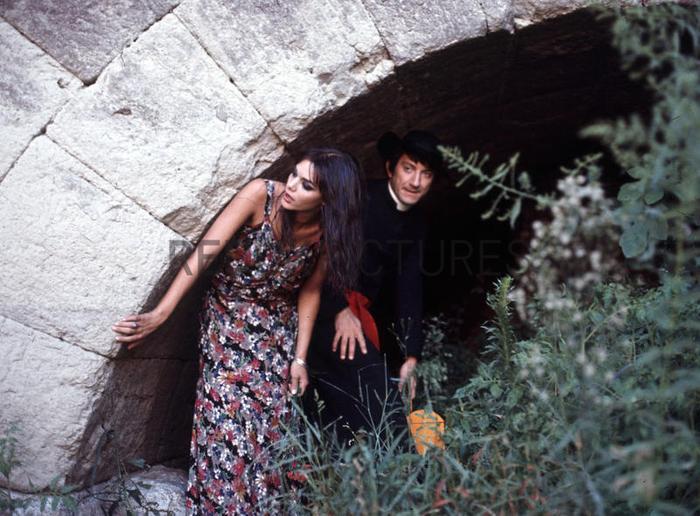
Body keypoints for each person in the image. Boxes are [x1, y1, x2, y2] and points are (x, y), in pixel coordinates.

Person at [111, 148, 363, 514]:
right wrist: (160, 314)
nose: (292, 186)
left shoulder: (327, 233)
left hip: (278, 324)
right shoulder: (261, 195)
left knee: (275, 424)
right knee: (227, 417)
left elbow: (309, 290)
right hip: (228, 314)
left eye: (306, 185)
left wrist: (300, 359)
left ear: (328, 200)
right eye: (294, 175)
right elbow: (204, 254)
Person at [304, 130, 442, 446]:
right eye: (409, 168)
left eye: (426, 174)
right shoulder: (363, 199)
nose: (416, 181)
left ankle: (364, 475)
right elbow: (323, 251)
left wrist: (411, 354)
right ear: (390, 168)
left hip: (356, 312)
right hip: (323, 304)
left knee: (363, 401)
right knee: (377, 394)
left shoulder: (417, 221)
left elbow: (410, 285)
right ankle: (413, 475)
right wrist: (339, 308)